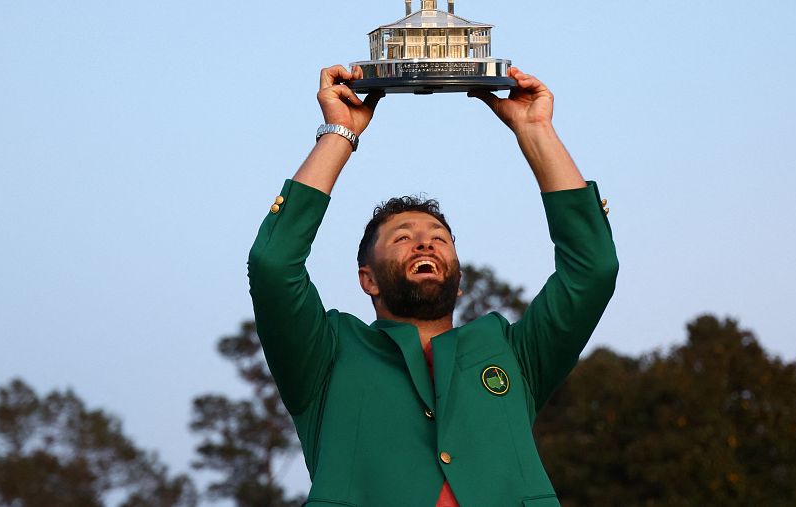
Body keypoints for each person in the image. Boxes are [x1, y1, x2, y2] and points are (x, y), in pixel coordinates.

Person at [248, 64, 619, 506]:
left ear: (459, 282)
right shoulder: (326, 356)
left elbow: (592, 269)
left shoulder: (512, 353)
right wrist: (338, 134)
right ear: (368, 278)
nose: (425, 242)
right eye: (402, 238)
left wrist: (535, 130)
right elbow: (274, 264)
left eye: (440, 239)